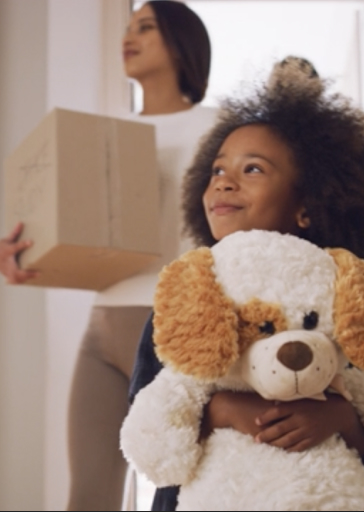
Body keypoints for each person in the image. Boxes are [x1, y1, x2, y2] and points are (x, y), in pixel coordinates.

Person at [0, 2, 218, 510]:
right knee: (89, 497)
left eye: (146, 27)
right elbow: (64, 225)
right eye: (127, 27)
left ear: (182, 42)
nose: (129, 36)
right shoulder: (99, 132)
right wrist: (20, 248)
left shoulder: (218, 125)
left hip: (177, 327)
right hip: (102, 325)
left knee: (186, 492)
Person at [128, 59, 364, 511]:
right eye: (217, 170)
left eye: (253, 169)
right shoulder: (187, 290)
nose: (225, 183)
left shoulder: (344, 292)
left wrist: (341, 418)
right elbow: (147, 417)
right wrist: (219, 410)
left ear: (307, 204)